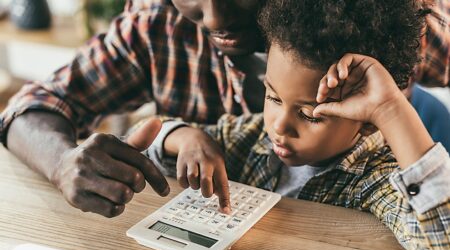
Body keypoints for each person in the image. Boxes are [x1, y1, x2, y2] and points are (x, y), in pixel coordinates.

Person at [0, 0, 447, 218]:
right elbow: (34, 103)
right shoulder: (154, 24)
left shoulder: (373, 17)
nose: (213, 18)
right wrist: (62, 161)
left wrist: (391, 111)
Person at [145, 0, 450, 250]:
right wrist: (185, 136)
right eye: (274, 98)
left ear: (367, 122)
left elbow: (444, 247)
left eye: (308, 115)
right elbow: (147, 142)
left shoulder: (373, 178)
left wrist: (389, 110)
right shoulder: (250, 139)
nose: (279, 126)